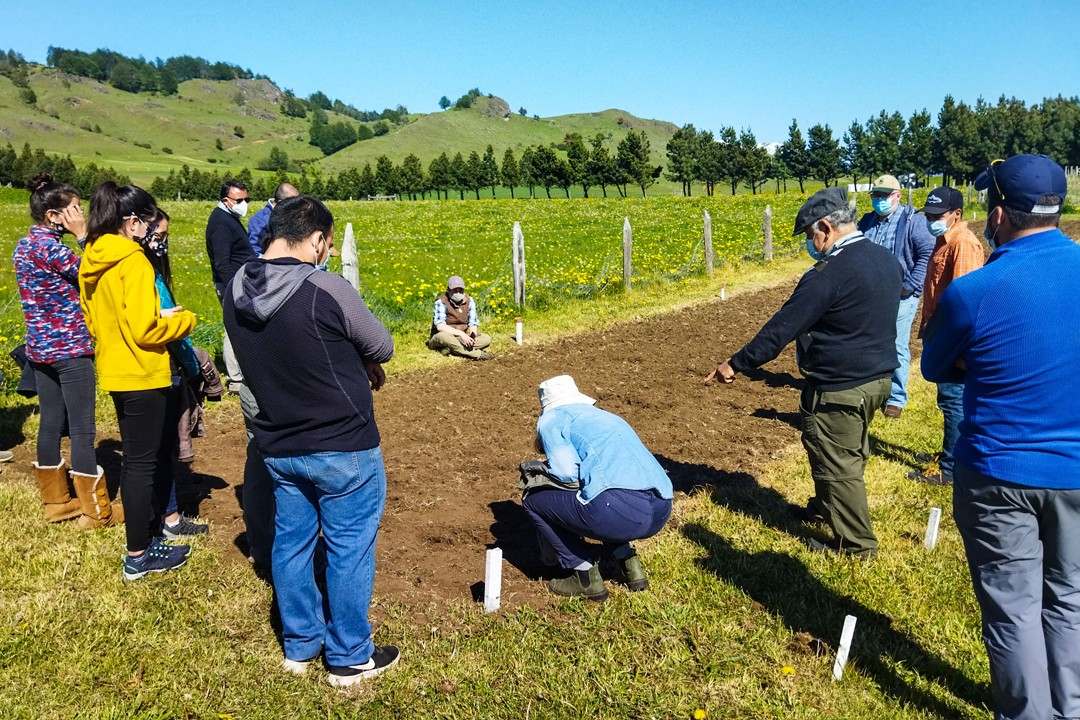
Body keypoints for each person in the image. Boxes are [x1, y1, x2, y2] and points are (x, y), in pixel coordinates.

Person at [922, 155, 1080, 720]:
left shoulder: (977, 292)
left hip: (998, 473)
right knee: (1070, 599)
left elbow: (937, 366)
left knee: (1012, 608)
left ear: (998, 215)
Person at [223, 196, 399, 687]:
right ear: (320, 240)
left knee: (291, 542)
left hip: (277, 443)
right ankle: (348, 656)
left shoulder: (237, 286)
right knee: (349, 548)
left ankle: (300, 644)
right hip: (343, 443)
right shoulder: (326, 286)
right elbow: (381, 345)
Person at [708, 187, 901, 558]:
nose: (811, 245)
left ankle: (856, 546)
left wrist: (735, 363)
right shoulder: (883, 258)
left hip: (840, 387)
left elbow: (782, 328)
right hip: (878, 379)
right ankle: (828, 508)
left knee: (838, 463)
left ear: (825, 227)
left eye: (811, 236)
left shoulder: (828, 274)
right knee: (845, 451)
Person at [80, 182, 197, 581]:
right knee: (142, 465)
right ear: (130, 222)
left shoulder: (91, 258)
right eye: (146, 221)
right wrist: (182, 320)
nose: (149, 229)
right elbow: (147, 330)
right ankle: (138, 554)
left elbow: (94, 320)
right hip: (143, 372)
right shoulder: (134, 261)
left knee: (136, 459)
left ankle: (145, 540)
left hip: (115, 367)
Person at [13, 173, 121, 528]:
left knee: (50, 423)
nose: (81, 214)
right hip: (70, 349)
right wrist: (83, 236)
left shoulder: (24, 246)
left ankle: (56, 501)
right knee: (82, 430)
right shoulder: (55, 249)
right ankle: (95, 510)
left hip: (39, 349)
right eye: (74, 209)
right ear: (53, 216)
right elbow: (93, 273)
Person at [522, 375, 673, 601]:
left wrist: (542, 470)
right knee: (598, 489)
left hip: (619, 510)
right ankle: (629, 564)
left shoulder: (552, 419)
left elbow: (566, 472)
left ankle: (584, 575)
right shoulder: (606, 416)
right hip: (661, 506)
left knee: (533, 499)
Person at [140, 208, 210, 539]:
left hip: (138, 370)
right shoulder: (147, 276)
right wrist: (195, 365)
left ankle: (160, 515)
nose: (163, 243)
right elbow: (173, 331)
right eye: (161, 236)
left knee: (153, 449)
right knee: (163, 449)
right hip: (161, 369)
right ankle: (165, 519)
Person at [909, 187, 984, 486]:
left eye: (937, 215)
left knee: (953, 399)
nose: (931, 220)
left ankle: (951, 469)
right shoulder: (944, 240)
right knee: (948, 399)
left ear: (957, 214)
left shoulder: (963, 244)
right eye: (928, 215)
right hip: (941, 331)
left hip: (953, 337)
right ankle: (949, 454)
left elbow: (964, 299)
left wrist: (955, 344)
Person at [857, 174, 935, 418]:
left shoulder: (912, 220)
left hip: (901, 293)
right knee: (869, 340)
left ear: (897, 196)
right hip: (871, 293)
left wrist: (911, 285)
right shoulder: (867, 221)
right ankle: (873, 388)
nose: (879, 200)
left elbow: (926, 254)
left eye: (884, 195)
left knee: (897, 343)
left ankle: (896, 397)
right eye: (876, 196)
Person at [204, 179, 253, 391]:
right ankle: (235, 378)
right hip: (232, 284)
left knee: (241, 325)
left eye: (247, 199)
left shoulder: (228, 218)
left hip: (239, 281)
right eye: (240, 200)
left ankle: (242, 372)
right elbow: (222, 262)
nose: (244, 204)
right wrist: (233, 288)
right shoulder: (221, 223)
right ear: (226, 200)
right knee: (233, 326)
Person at [427, 276, 492, 360]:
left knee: (486, 338)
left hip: (461, 337)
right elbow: (440, 326)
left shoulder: (470, 301)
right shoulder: (441, 302)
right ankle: (476, 354)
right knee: (444, 337)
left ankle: (452, 349)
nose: (458, 292)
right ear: (448, 290)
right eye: (455, 290)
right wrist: (461, 334)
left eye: (460, 290)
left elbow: (473, 323)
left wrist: (471, 337)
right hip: (444, 336)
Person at [246, 182, 299, 256]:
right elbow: (255, 250)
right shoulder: (259, 220)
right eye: (293, 204)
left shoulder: (292, 215)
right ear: (282, 203)